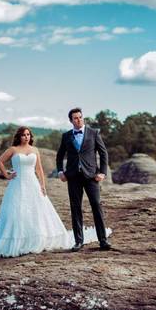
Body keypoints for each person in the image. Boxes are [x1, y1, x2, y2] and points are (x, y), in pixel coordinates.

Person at [0, 126, 107, 257]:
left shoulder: (34, 150)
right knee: (17, 211)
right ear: (19, 137)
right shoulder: (13, 149)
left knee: (36, 211)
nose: (26, 137)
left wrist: (42, 185)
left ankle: (37, 237)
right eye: (24, 135)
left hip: (32, 183)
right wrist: (7, 175)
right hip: (17, 184)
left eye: (28, 135)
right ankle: (17, 239)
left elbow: (39, 170)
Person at [56, 107, 113, 252]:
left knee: (96, 205)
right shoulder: (66, 136)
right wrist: (60, 171)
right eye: (75, 118)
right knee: (76, 208)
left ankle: (103, 240)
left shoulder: (94, 133)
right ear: (71, 120)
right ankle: (78, 241)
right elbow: (59, 155)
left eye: (80, 117)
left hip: (91, 176)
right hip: (73, 176)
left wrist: (102, 172)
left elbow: (103, 153)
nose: (78, 120)